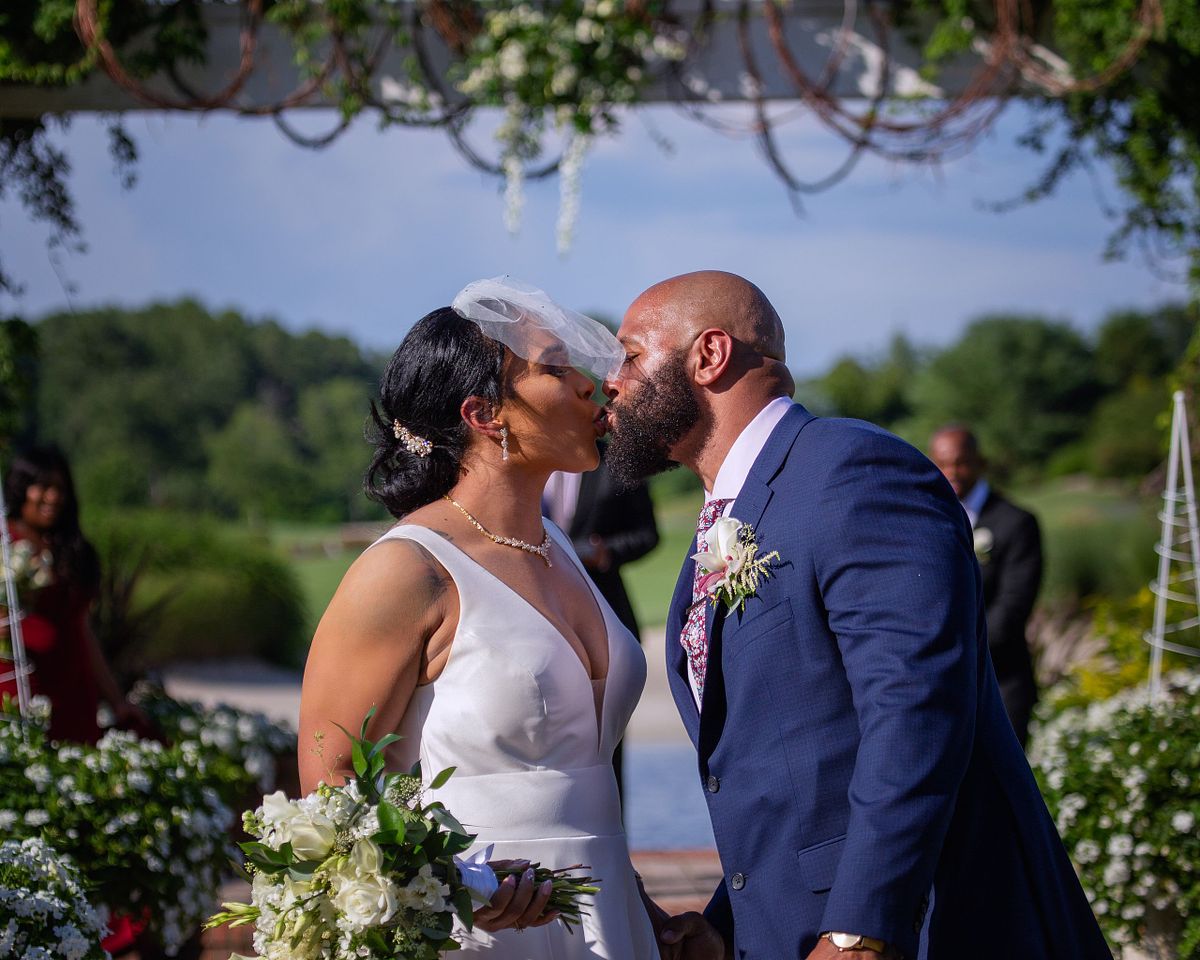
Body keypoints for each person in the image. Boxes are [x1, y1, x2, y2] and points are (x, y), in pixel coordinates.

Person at [600, 270, 1111, 960]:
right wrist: (726, 924)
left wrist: (862, 927)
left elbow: (915, 707)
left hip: (928, 926)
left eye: (632, 353)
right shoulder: (725, 520)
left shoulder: (854, 471)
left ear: (709, 355)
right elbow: (797, 769)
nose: (612, 379)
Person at [299, 279, 669, 958]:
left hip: (607, 921)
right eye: (557, 370)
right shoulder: (408, 571)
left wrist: (646, 913)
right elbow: (329, 784)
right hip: (480, 934)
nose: (590, 386)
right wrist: (456, 885)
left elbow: (580, 789)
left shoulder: (558, 547)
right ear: (485, 414)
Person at [0, 446, 143, 744]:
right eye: (43, 486)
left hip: (72, 683)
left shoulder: (67, 549)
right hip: (23, 681)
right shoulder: (5, 544)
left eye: (60, 488)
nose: (53, 497)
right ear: (21, 487)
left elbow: (82, 628)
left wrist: (115, 699)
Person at [543, 451, 658, 795]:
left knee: (607, 748)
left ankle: (614, 837)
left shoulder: (617, 462)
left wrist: (606, 551)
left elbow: (647, 534)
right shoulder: (519, 460)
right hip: (540, 617)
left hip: (603, 611)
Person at [929, 426, 1043, 747]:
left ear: (981, 463)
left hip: (1000, 684)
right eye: (942, 464)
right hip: (941, 689)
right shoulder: (926, 520)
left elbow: (1013, 607)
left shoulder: (1016, 522)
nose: (951, 473)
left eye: (961, 463)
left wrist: (952, 652)